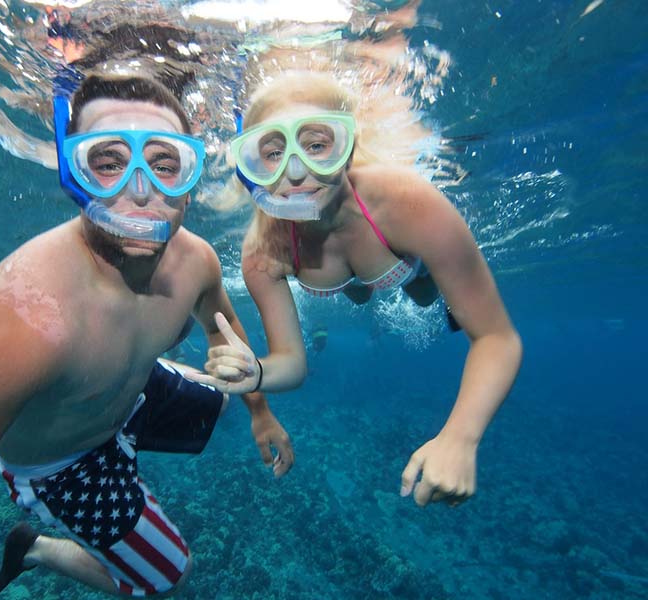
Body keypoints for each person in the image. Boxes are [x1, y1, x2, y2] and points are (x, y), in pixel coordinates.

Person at [0, 73, 293, 600]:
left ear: (190, 183)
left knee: (220, 402)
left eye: (164, 164)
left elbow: (226, 334)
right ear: (73, 175)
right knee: (171, 576)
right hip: (62, 465)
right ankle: (33, 547)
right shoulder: (28, 316)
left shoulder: (196, 262)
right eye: (107, 163)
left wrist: (260, 410)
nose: (139, 190)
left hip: (127, 391)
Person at [188, 71, 521, 509]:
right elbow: (292, 363)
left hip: (404, 263)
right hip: (348, 278)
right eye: (272, 152)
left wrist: (460, 438)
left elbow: (497, 337)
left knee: (423, 293)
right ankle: (359, 285)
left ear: (347, 148)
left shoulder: (409, 203)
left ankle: (438, 292)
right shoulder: (263, 250)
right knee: (358, 289)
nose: (296, 171)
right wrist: (259, 373)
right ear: (252, 165)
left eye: (316, 145)